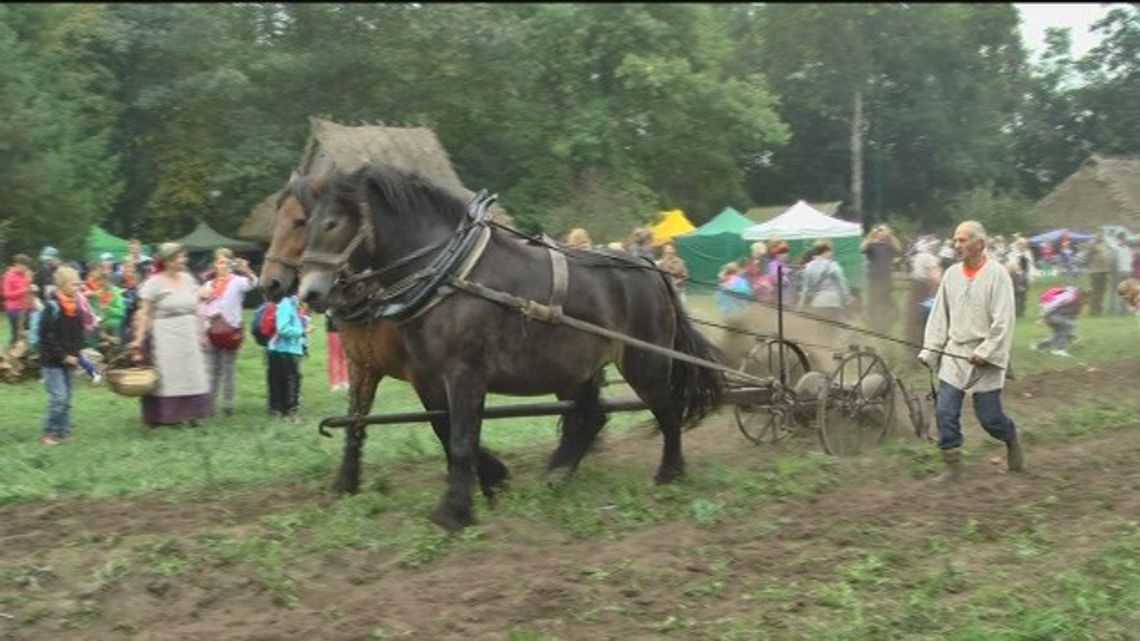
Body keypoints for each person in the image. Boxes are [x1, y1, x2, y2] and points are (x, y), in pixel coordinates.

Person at [918, 220, 1022, 481]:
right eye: (955, 240)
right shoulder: (951, 275)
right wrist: (930, 351)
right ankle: (952, 467)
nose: (957, 245)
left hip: (985, 356)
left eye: (963, 240)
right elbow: (939, 316)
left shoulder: (998, 275)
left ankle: (1010, 438)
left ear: (980, 243)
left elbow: (1003, 322)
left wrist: (985, 352)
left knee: (990, 418)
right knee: (945, 410)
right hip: (955, 353)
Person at [129, 242, 211, 427]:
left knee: (191, 372)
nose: (185, 260)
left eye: (184, 256)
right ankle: (167, 417)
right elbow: (144, 313)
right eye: (180, 256)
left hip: (188, 334)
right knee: (170, 375)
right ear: (168, 260)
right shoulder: (154, 283)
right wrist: (138, 339)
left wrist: (202, 332)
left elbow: (196, 303)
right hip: (165, 335)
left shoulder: (188, 279)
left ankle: (191, 413)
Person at [199, 248, 258, 417]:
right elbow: (198, 298)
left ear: (231, 264)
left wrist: (246, 270)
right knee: (212, 369)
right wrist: (202, 294)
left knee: (228, 368)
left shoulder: (238, 281)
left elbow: (254, 283)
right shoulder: (209, 284)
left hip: (231, 330)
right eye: (219, 262)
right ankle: (209, 405)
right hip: (212, 331)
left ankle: (228, 404)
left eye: (225, 262)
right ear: (215, 264)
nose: (222, 265)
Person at [37, 266, 85, 445]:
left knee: (67, 399)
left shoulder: (76, 307)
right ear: (62, 285)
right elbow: (46, 336)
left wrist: (76, 354)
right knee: (59, 398)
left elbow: (79, 334)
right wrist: (63, 356)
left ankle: (63, 431)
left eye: (78, 284)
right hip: (52, 362)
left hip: (70, 361)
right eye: (74, 284)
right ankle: (49, 431)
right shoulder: (52, 307)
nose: (77, 288)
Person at [266, 291, 305, 420]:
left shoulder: (293, 305)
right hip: (282, 350)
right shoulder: (286, 304)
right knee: (290, 381)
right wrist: (302, 332)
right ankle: (289, 410)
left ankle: (280, 410)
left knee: (282, 381)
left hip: (283, 350)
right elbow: (282, 328)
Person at [798, 239, 851, 322]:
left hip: (817, 303)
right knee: (832, 331)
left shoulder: (808, 266)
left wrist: (801, 305)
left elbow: (806, 289)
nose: (832, 253)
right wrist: (846, 300)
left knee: (820, 331)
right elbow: (842, 284)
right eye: (831, 250)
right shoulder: (832, 265)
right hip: (832, 303)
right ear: (826, 251)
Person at [861, 224, 902, 332]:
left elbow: (899, 248)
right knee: (874, 304)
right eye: (880, 231)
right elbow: (861, 248)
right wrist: (871, 235)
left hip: (886, 279)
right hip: (874, 279)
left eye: (883, 231)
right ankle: (873, 326)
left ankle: (884, 326)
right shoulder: (872, 245)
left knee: (889, 306)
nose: (882, 233)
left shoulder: (888, 246)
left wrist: (890, 235)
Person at [907, 237, 942, 346]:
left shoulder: (918, 256)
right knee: (925, 317)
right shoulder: (930, 258)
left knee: (913, 315)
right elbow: (935, 277)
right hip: (924, 288)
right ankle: (923, 343)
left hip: (915, 287)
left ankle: (913, 343)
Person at [1031, 285, 1084, 357]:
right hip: (1050, 315)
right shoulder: (1068, 296)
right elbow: (1051, 305)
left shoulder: (1075, 299)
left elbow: (1072, 314)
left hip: (1055, 315)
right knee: (1067, 326)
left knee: (1060, 334)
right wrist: (1041, 317)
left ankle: (1039, 345)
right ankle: (1060, 350)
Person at [3, 254, 34, 345]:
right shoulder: (9, 276)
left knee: (27, 334)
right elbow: (7, 295)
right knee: (16, 335)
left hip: (27, 308)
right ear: (17, 264)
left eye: (27, 266)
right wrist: (24, 290)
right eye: (24, 266)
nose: (26, 268)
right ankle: (10, 356)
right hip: (14, 310)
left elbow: (28, 289)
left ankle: (23, 356)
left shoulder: (27, 275)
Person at [1085, 232, 1113, 316]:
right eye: (1099, 236)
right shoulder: (1092, 245)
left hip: (1104, 271)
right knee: (1095, 292)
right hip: (1095, 271)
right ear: (1095, 237)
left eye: (1102, 236)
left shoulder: (1104, 246)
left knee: (1102, 291)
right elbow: (1088, 257)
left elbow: (1107, 256)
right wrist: (1091, 269)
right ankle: (1093, 310)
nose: (1101, 238)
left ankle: (1099, 310)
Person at [1109, 233, 1133, 316]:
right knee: (1115, 291)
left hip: (1127, 272)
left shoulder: (1127, 248)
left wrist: (1130, 270)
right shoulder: (1114, 248)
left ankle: (1123, 310)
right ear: (1117, 239)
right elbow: (1112, 262)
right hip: (1118, 272)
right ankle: (1112, 309)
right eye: (1120, 239)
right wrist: (1113, 273)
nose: (1122, 241)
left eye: (1123, 239)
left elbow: (1130, 260)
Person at [325, 313, 349, 391]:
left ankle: (344, 380)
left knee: (344, 355)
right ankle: (334, 382)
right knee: (334, 356)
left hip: (346, 328)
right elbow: (328, 314)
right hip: (333, 330)